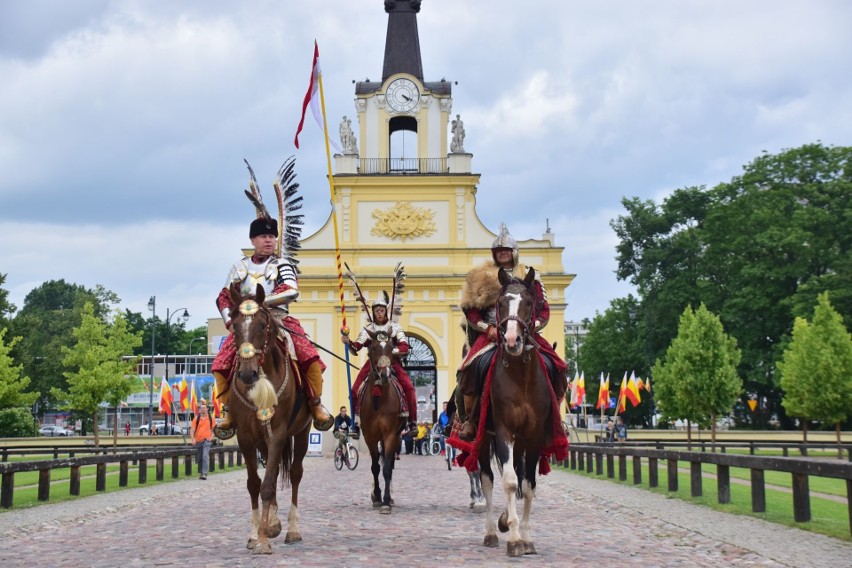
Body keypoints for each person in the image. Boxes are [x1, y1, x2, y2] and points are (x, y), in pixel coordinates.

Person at [211, 176, 334, 440]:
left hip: (277, 320)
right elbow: (223, 297)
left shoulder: (281, 265)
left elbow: (291, 289)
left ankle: (315, 404)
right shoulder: (239, 267)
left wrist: (262, 303)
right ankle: (228, 411)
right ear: (253, 240)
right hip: (246, 323)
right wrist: (233, 322)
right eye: (263, 237)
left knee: (307, 355)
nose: (268, 241)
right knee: (220, 363)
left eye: (271, 237)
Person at [455, 223, 569, 442]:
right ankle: (469, 419)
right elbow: (470, 311)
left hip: (525, 331)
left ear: (513, 252)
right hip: (490, 334)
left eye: (506, 251)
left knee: (558, 366)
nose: (503, 254)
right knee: (467, 370)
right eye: (499, 251)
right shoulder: (479, 277)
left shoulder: (529, 276)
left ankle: (554, 416)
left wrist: (533, 325)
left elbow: (543, 308)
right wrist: (487, 328)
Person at [342, 295, 418, 433]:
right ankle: (356, 423)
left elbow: (404, 347)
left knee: (410, 389)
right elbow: (356, 348)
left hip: (392, 362)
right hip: (373, 363)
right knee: (354, 390)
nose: (379, 313)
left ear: (386, 311)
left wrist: (388, 351)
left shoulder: (395, 327)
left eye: (381, 310)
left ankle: (412, 422)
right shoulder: (368, 329)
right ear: (373, 312)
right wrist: (348, 342)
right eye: (376, 310)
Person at [191, 401, 214, 480]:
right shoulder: (196, 419)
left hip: (207, 441)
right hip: (198, 441)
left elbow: (214, 430)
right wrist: (193, 439)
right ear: (200, 410)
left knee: (205, 456)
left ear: (207, 409)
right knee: (200, 458)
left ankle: (204, 473)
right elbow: (192, 430)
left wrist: (211, 438)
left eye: (204, 408)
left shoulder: (211, 419)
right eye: (201, 408)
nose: (203, 409)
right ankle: (201, 473)